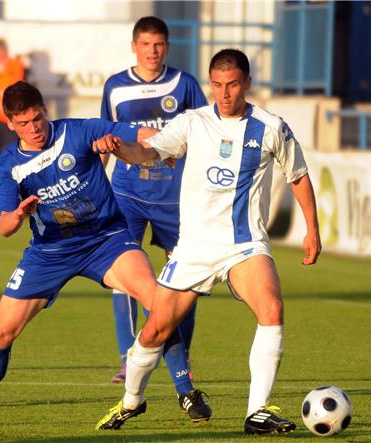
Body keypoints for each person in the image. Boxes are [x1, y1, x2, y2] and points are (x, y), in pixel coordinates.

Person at [94, 49, 321, 435]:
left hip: (244, 244)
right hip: (195, 248)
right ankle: (131, 401)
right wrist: (119, 148)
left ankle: (257, 411)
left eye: (232, 84)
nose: (224, 93)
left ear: (247, 83)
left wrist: (311, 229)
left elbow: (297, 175)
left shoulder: (270, 126)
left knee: (272, 308)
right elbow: (147, 151)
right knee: (154, 332)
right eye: (217, 85)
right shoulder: (193, 122)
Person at [0, 80, 182, 426]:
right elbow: (5, 226)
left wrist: (168, 142)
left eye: (37, 119)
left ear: (45, 111)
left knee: (158, 299)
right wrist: (19, 214)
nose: (34, 128)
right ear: (10, 124)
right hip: (50, 251)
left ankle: (186, 391)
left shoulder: (76, 131)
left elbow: (134, 130)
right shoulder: (11, 165)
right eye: (23, 123)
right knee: (2, 332)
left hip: (104, 239)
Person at [100, 16, 210, 422]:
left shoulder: (184, 84)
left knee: (186, 279)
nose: (152, 51)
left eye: (159, 44)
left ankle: (183, 354)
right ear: (134, 46)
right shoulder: (115, 86)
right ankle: (129, 356)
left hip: (176, 197)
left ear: (167, 47)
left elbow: (206, 131)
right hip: (128, 193)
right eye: (146, 44)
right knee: (125, 273)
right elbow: (108, 135)